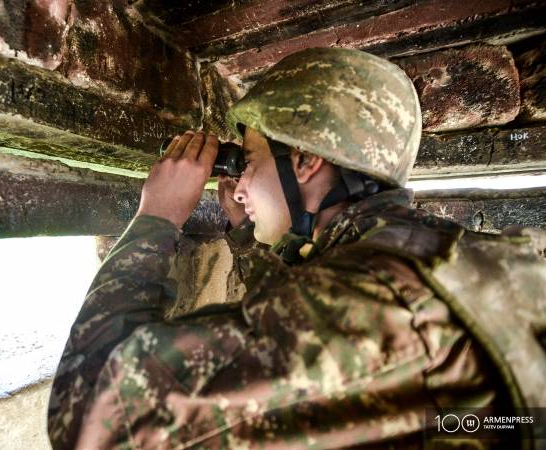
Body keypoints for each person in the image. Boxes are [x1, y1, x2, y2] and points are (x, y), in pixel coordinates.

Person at [48, 48, 546, 449]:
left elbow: (95, 422)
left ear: (305, 161)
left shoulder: (366, 303)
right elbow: (306, 292)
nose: (238, 186)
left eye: (248, 161)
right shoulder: (431, 254)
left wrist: (155, 219)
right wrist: (246, 230)